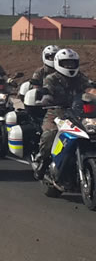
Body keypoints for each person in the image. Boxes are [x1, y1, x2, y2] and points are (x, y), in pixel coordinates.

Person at [34, 49, 95, 179]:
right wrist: (43, 95)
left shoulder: (80, 77)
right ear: (58, 63)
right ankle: (43, 161)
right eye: (66, 63)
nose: (69, 66)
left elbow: (90, 88)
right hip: (56, 112)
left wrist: (93, 93)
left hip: (78, 113)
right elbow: (47, 91)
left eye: (72, 63)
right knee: (50, 134)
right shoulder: (52, 78)